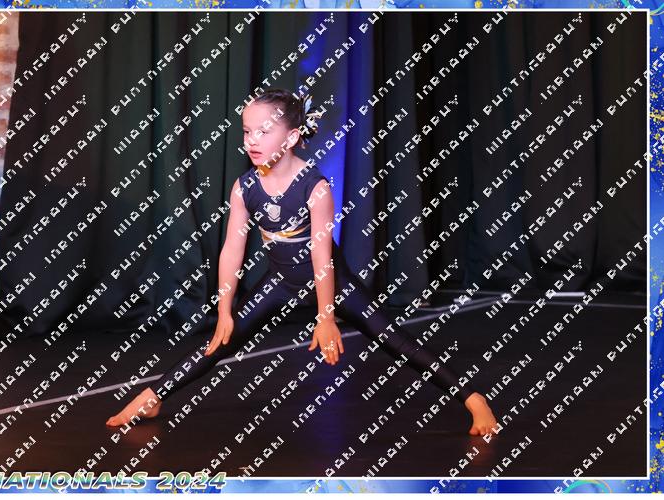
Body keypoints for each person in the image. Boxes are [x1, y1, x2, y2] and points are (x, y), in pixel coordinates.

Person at [107, 88, 499, 436]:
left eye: (264, 132)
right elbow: (232, 249)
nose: (252, 140)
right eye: (246, 131)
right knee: (221, 339)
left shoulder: (315, 188)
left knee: (393, 339)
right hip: (282, 282)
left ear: (292, 137)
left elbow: (321, 256)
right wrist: (224, 309)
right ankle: (152, 397)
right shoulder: (245, 188)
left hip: (332, 283)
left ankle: (472, 397)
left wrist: (326, 317)